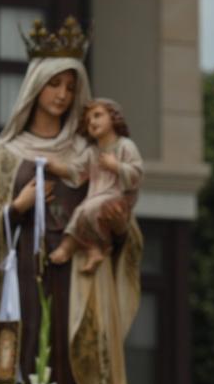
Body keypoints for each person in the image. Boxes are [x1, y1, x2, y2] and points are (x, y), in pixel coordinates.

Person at [0, 21, 141, 384]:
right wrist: (14, 210)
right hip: (20, 280)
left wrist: (119, 229)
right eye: (54, 84)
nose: (62, 95)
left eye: (71, 87)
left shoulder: (91, 154)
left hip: (79, 283)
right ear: (35, 86)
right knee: (23, 372)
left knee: (74, 373)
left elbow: (124, 222)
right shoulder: (1, 157)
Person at [47, 99, 143, 275]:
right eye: (88, 120)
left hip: (118, 199)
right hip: (97, 199)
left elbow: (136, 174)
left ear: (113, 118)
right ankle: (88, 249)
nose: (92, 122)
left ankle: (80, 247)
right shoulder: (92, 152)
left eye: (97, 115)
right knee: (84, 212)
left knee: (87, 210)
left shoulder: (125, 146)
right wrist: (53, 167)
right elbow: (76, 171)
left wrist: (116, 166)